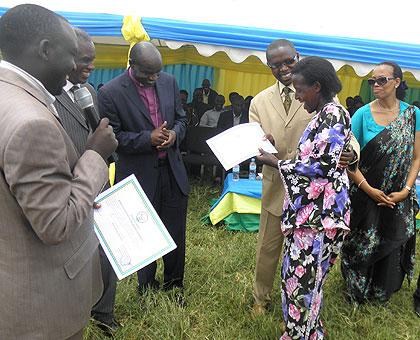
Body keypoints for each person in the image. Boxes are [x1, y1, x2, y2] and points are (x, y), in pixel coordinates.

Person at [0, 4, 118, 340]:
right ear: (46, 50)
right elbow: (55, 224)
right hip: (40, 307)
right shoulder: (32, 122)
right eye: (72, 56)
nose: (75, 69)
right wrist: (95, 155)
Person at [249, 39, 359, 316]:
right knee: (267, 248)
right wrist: (261, 143)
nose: (284, 68)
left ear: (297, 57)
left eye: (288, 61)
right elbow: (252, 139)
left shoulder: (323, 98)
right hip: (277, 187)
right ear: (268, 66)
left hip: (314, 199)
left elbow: (348, 140)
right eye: (276, 65)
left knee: (305, 257)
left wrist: (351, 155)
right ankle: (260, 299)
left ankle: (304, 302)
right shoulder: (260, 101)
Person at [98, 42, 189, 297]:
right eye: (148, 72)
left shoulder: (168, 82)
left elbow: (182, 118)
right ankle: (146, 288)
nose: (153, 77)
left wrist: (174, 135)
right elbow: (113, 137)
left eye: (157, 72)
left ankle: (174, 286)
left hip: (172, 170)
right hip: (138, 175)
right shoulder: (110, 92)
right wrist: (146, 138)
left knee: (174, 231)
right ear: (132, 64)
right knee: (143, 231)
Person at [341, 61, 420, 304]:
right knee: (362, 241)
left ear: (397, 82)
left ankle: (382, 290)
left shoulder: (412, 115)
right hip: (365, 193)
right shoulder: (361, 115)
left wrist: (406, 191)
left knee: (391, 238)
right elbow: (349, 160)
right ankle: (356, 290)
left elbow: (417, 157)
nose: (376, 84)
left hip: (398, 195)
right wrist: (369, 190)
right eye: (372, 81)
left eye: (382, 80)